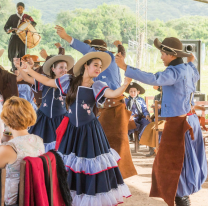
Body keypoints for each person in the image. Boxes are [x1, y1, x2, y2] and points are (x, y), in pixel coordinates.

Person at [17, 51, 132, 206]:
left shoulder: (98, 85)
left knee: (88, 164)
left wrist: (125, 84)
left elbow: (113, 93)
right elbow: (46, 80)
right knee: (67, 163)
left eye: (100, 66)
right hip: (71, 130)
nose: (98, 69)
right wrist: (29, 70)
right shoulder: (69, 81)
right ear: (86, 65)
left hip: (89, 131)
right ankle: (67, 197)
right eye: (95, 65)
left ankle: (87, 196)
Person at [115, 37, 207, 206]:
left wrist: (126, 68)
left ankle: (182, 199)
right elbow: (194, 68)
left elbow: (154, 79)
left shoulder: (174, 72)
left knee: (174, 165)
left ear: (172, 55)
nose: (161, 57)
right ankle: (182, 197)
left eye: (163, 54)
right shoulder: (189, 69)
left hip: (179, 124)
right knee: (184, 163)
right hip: (190, 120)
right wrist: (190, 60)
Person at [55, 25, 137, 179]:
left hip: (111, 103)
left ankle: (105, 176)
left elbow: (82, 47)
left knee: (102, 145)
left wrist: (66, 36)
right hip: (110, 104)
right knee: (111, 144)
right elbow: (121, 52)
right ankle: (109, 175)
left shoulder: (100, 59)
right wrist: (119, 44)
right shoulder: (111, 59)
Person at [14, 55, 74, 152]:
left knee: (59, 147)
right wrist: (19, 67)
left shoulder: (67, 81)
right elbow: (27, 78)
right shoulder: (44, 79)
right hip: (43, 118)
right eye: (61, 67)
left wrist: (29, 69)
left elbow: (47, 81)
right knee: (39, 145)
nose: (64, 70)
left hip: (60, 119)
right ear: (53, 69)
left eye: (66, 68)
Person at [0, 96, 45, 206]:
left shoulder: (8, 149)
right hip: (33, 197)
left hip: (12, 202)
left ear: (6, 120)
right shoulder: (38, 140)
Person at [4, 2, 36, 70]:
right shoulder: (12, 17)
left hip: (23, 38)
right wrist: (8, 30)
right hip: (14, 36)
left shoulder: (27, 17)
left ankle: (21, 69)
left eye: (21, 8)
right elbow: (6, 27)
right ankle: (14, 69)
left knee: (23, 54)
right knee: (13, 53)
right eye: (18, 8)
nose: (20, 9)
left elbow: (34, 23)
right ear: (16, 8)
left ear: (23, 9)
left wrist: (29, 22)